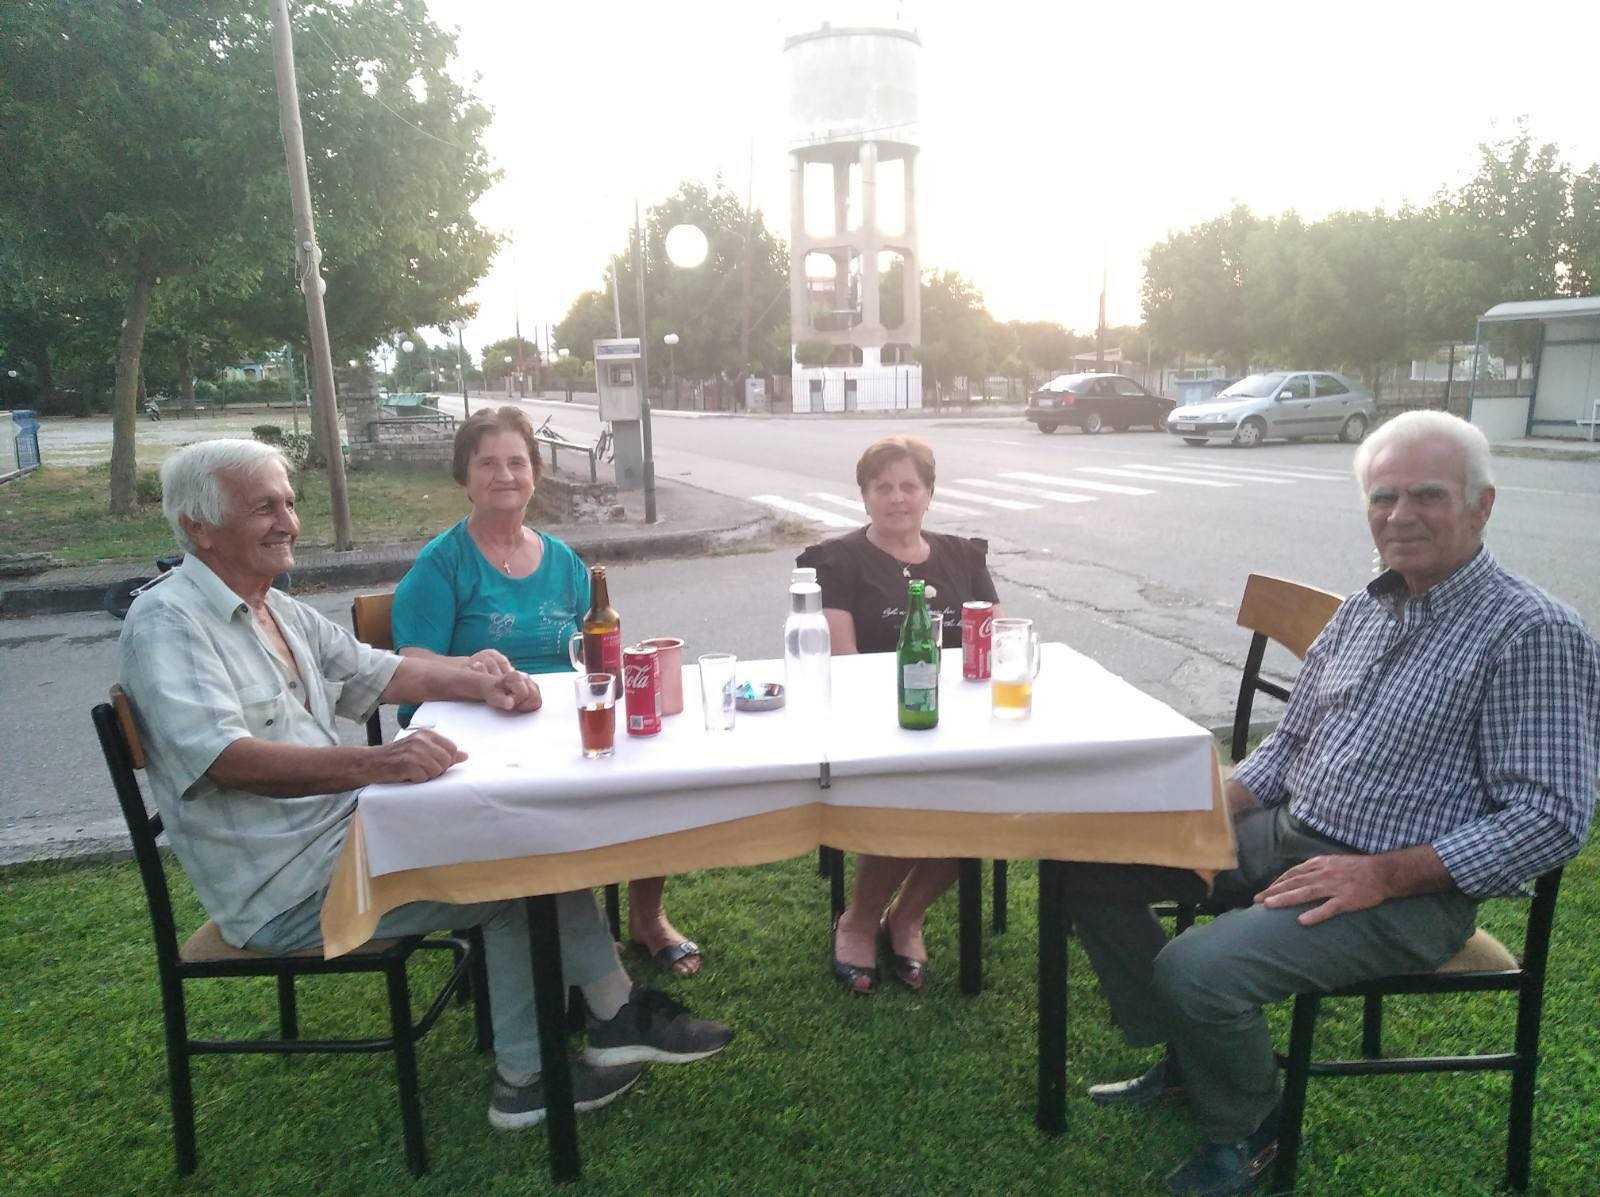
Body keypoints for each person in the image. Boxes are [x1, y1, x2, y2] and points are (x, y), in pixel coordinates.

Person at [119, 439, 732, 1134]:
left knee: (526, 837)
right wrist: (379, 763)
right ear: (199, 527)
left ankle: (613, 1014)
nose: (288, 521)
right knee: (512, 874)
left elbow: (379, 672)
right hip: (284, 888)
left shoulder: (273, 606)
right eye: (265, 507)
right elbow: (226, 760)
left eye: (289, 502)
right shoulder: (168, 623)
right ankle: (531, 1078)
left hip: (346, 835)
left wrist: (482, 682)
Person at [1064, 411, 1597, 1196]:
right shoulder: (1364, 606)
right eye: (1383, 496)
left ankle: (1252, 1131)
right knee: (1089, 857)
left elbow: (1550, 818)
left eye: (1427, 494)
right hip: (1292, 830)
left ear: (1481, 505)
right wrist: (1212, 809)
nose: (1400, 515)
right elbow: (1290, 743)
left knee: (1197, 968)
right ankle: (1191, 1052)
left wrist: (1382, 874)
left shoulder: (1532, 631)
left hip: (1409, 890)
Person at [391, 406, 705, 976]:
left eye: (517, 462)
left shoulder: (563, 561)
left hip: (564, 719)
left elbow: (600, 645)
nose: (504, 475)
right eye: (487, 464)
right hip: (479, 730)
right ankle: (553, 929)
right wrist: (475, 672)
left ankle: (646, 916)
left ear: (535, 473)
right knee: (538, 802)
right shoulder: (442, 564)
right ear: (464, 477)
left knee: (650, 771)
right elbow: (409, 663)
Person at [796, 435, 1001, 994]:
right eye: (882, 487)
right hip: (876, 719)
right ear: (864, 496)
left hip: (961, 719)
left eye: (909, 486)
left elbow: (992, 639)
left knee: (987, 793)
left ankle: (907, 914)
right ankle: (859, 920)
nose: (897, 498)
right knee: (916, 787)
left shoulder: (963, 556)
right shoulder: (837, 561)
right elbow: (843, 660)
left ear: (929, 494)